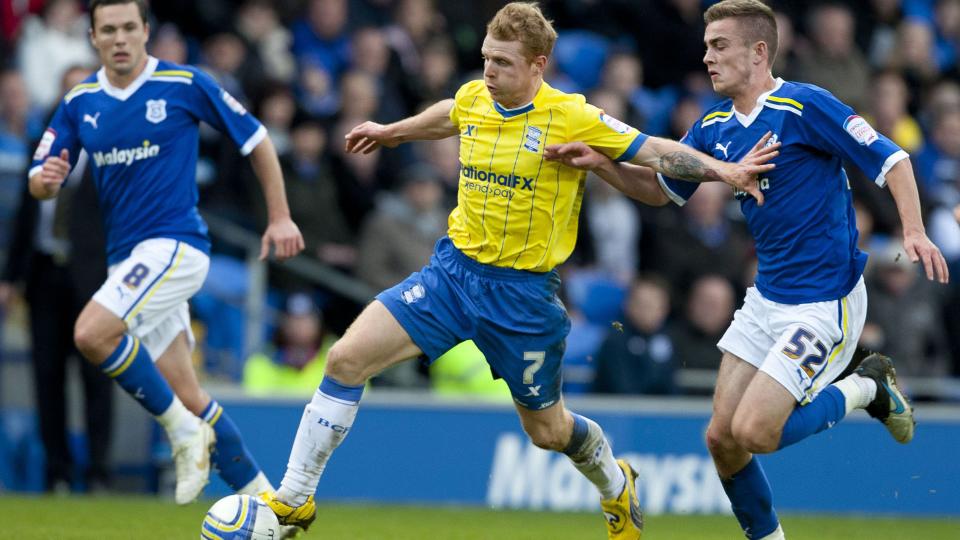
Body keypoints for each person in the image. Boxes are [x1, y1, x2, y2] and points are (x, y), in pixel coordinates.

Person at [259, 3, 778, 539]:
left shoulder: (572, 114)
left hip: (522, 298)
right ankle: (295, 499)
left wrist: (726, 171)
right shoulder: (475, 97)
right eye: (486, 58)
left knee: (548, 432)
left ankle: (612, 481)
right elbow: (450, 113)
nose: (488, 72)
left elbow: (656, 153)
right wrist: (393, 131)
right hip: (452, 275)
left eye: (503, 63)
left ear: (538, 64)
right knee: (344, 359)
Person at [544, 1, 950, 538]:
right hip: (767, 299)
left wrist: (914, 229)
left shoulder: (805, 106)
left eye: (720, 46)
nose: (707, 56)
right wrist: (603, 165)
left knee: (756, 431)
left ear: (759, 52)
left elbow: (891, 158)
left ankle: (866, 388)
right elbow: (661, 191)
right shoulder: (712, 127)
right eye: (707, 46)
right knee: (721, 439)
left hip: (825, 300)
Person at [26, 0, 304, 514]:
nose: (120, 38)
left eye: (129, 27)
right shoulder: (79, 101)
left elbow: (257, 139)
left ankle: (180, 432)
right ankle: (272, 504)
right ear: (93, 37)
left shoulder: (184, 84)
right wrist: (43, 184)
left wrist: (280, 216)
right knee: (190, 392)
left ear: (146, 31)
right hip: (126, 262)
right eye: (108, 29)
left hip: (176, 246)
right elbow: (40, 176)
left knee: (91, 334)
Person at [1, 65, 114, 493]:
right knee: (47, 378)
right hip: (44, 275)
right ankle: (57, 473)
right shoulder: (41, 148)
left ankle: (99, 473)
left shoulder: (113, 153)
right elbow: (24, 222)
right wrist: (10, 278)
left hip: (96, 281)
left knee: (96, 379)